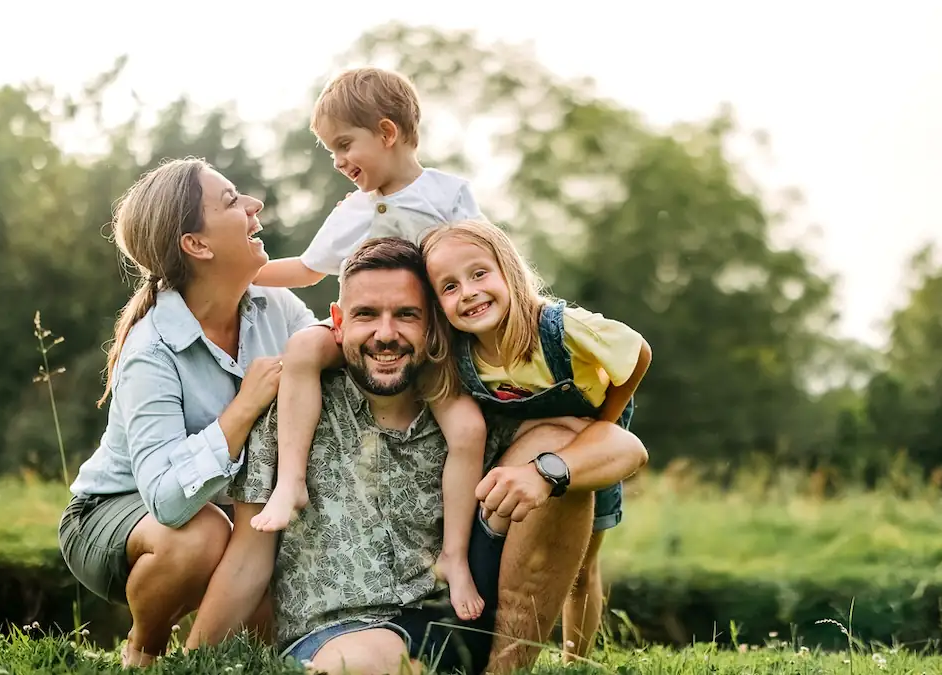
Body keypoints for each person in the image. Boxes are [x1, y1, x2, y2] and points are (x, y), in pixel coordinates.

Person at [188, 236, 649, 674]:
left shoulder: (477, 404)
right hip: (339, 633)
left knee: (561, 466)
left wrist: (545, 473)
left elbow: (625, 447)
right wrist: (191, 661)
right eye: (366, 314)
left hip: (464, 613)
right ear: (338, 320)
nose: (385, 335)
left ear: (432, 324)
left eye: (406, 315)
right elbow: (249, 559)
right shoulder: (289, 414)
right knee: (361, 665)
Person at [248, 66, 493, 622]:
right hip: (361, 338)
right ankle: (290, 483)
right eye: (329, 150)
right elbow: (309, 271)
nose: (337, 162)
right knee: (306, 350)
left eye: (343, 145)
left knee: (469, 430)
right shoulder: (350, 213)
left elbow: (485, 261)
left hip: (428, 347)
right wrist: (243, 273)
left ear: (386, 132)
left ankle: (453, 556)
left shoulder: (448, 195)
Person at [56, 158, 318, 667]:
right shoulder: (150, 350)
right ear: (197, 245)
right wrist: (241, 410)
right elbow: (165, 501)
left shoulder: (276, 307)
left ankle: (200, 655)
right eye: (230, 201)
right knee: (200, 538)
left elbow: (321, 366)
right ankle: (144, 649)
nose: (253, 206)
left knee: (269, 629)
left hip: (227, 514)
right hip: (117, 513)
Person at [422, 219, 653, 664]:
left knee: (583, 565)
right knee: (540, 552)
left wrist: (603, 422)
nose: (468, 292)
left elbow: (638, 350)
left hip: (590, 450)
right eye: (449, 287)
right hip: (529, 450)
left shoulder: (560, 328)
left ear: (507, 271)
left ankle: (575, 658)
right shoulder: (463, 353)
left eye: (478, 274)